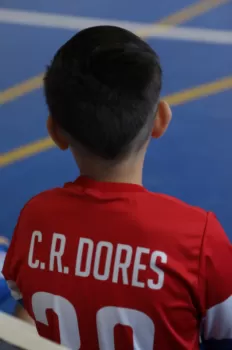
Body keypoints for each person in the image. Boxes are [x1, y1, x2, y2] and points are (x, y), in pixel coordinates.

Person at [2, 26, 232, 350]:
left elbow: (23, 300)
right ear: (160, 120)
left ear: (55, 132)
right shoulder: (198, 240)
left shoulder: (34, 220)